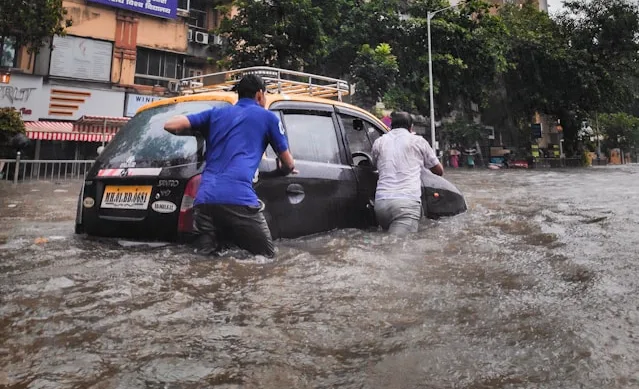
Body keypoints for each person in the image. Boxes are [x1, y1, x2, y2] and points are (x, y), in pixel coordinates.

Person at [164, 74, 296, 257]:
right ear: (259, 95)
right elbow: (288, 163)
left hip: (204, 201)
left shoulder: (214, 114)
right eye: (265, 95)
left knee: (205, 261)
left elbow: (170, 125)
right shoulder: (268, 118)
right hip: (239, 199)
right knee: (267, 259)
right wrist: (282, 170)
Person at [371, 111, 443, 234]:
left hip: (381, 204)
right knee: (399, 248)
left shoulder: (379, 142)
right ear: (411, 127)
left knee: (387, 243)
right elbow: (438, 171)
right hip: (406, 204)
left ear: (391, 126)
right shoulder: (418, 141)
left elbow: (374, 165)